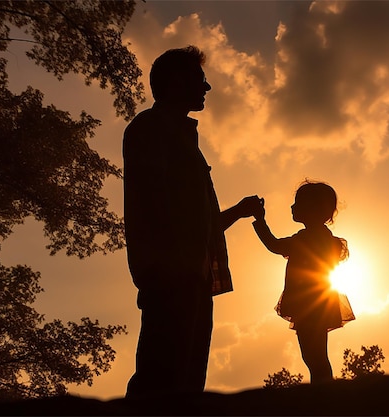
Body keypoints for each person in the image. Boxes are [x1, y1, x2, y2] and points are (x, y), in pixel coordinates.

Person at [123, 45, 261, 397]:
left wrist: (238, 212)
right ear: (176, 81)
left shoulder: (182, 140)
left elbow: (200, 221)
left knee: (186, 387)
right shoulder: (150, 129)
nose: (207, 87)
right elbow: (158, 204)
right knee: (160, 383)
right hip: (170, 275)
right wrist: (165, 266)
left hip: (193, 278)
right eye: (200, 79)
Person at [251, 181, 355, 384]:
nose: (292, 207)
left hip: (308, 304)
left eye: (297, 203)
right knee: (316, 355)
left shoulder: (305, 240)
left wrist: (259, 220)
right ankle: (323, 390)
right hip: (321, 302)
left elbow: (274, 245)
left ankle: (323, 393)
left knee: (313, 356)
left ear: (312, 209)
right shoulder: (327, 240)